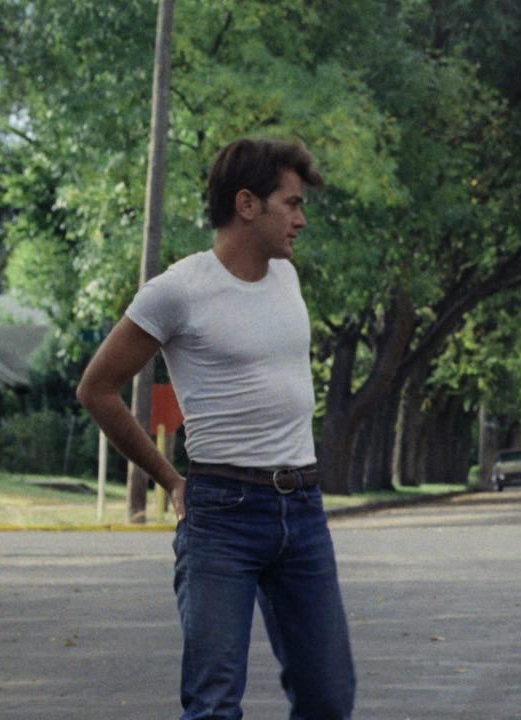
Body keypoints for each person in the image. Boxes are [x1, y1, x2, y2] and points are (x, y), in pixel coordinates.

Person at [77, 137, 355, 720]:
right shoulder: (178, 290)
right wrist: (169, 478)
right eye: (292, 204)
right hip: (222, 515)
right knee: (213, 705)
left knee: (329, 699)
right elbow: (96, 389)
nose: (301, 220)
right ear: (248, 204)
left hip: (302, 511)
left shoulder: (287, 279)